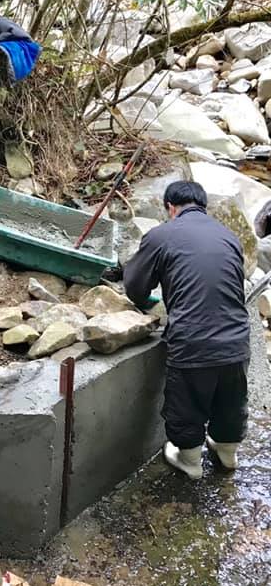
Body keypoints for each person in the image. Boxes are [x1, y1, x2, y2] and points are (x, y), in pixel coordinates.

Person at [123, 180, 250, 481]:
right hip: (237, 341)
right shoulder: (229, 236)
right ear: (203, 206)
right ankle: (227, 452)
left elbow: (136, 286)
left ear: (170, 207)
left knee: (187, 401)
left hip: (193, 341)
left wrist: (143, 302)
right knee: (231, 398)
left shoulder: (161, 235)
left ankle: (190, 460)